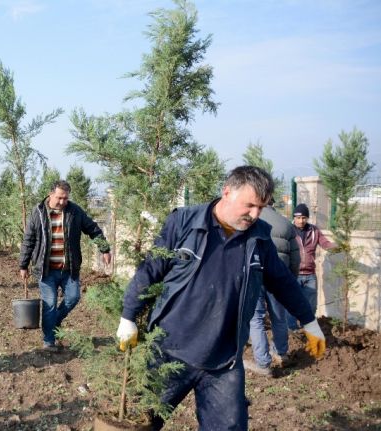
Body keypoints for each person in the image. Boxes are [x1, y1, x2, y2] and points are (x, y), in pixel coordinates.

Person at [116, 166, 326, 430]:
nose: (255, 214)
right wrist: (128, 316)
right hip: (169, 352)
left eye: (261, 208)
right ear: (227, 192)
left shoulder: (259, 237)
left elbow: (283, 282)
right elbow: (150, 270)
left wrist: (309, 322)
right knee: (139, 422)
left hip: (224, 362)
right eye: (249, 205)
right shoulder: (184, 223)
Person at [19, 180, 111, 351]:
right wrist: (23, 265)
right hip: (46, 270)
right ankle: (48, 341)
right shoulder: (38, 212)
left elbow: (93, 229)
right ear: (51, 194)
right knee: (49, 304)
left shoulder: (75, 212)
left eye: (65, 198)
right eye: (59, 198)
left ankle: (55, 321)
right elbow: (28, 240)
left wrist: (104, 249)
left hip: (69, 269)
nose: (62, 202)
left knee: (73, 298)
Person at [244, 200, 301, 376]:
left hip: (255, 277)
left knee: (256, 319)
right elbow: (295, 258)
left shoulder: (249, 221)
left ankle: (263, 363)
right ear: (273, 204)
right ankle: (281, 354)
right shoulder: (285, 224)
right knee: (279, 317)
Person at [288, 203, 337, 330]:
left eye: (304, 217)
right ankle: (292, 328)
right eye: (298, 217)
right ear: (294, 217)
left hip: (310, 275)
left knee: (311, 305)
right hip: (293, 274)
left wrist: (338, 245)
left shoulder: (314, 231)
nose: (301, 220)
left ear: (307, 218)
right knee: (292, 303)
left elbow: (325, 244)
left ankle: (308, 327)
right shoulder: (289, 230)